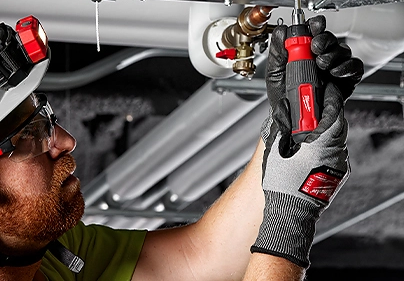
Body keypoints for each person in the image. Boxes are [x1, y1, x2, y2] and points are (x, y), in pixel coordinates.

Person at [0, 15, 363, 281]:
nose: (65, 141)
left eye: (47, 117)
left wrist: (283, 138)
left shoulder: (49, 254)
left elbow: (199, 258)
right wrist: (289, 223)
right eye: (29, 134)